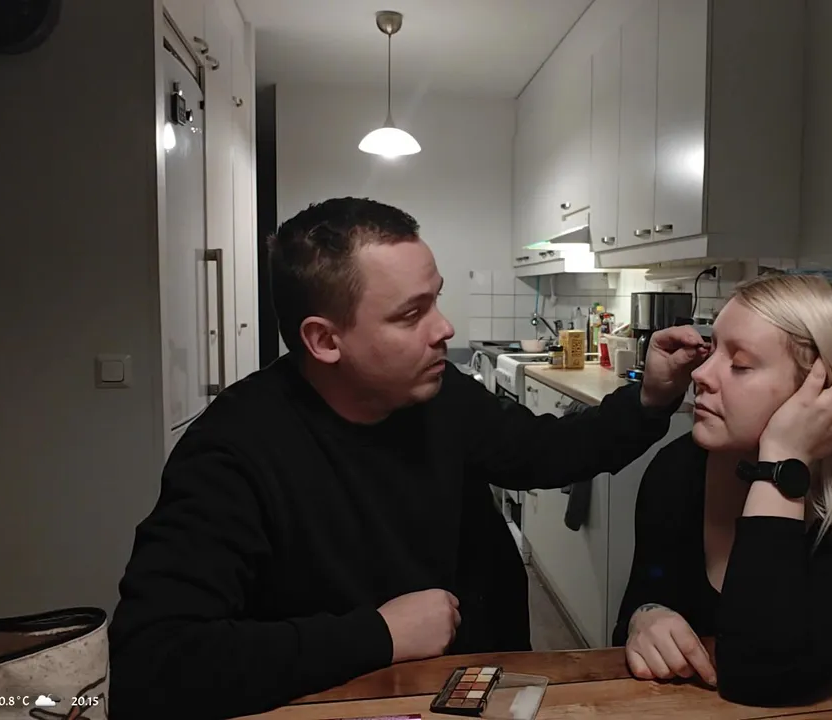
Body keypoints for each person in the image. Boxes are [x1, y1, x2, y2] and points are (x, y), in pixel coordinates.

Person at [106, 197, 707, 719]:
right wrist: (380, 633)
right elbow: (152, 664)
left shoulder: (440, 396)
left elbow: (546, 453)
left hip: (477, 689)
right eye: (411, 313)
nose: (444, 328)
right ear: (325, 339)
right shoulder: (233, 452)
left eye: (435, 300)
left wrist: (650, 397)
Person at [612, 273, 832, 706]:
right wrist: (644, 618)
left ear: (830, 392)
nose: (700, 374)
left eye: (740, 364)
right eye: (711, 349)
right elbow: (641, 598)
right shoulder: (679, 467)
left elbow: (759, 677)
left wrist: (781, 464)